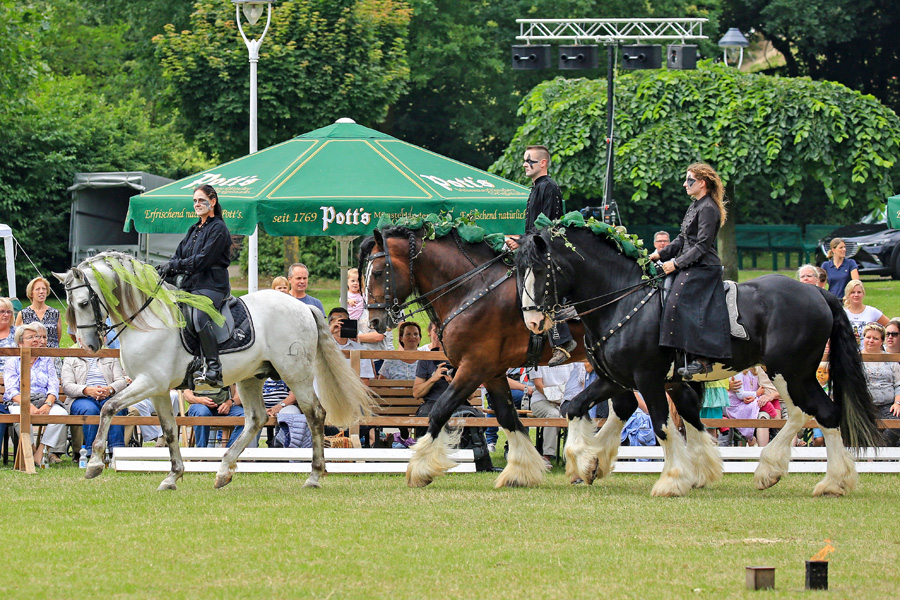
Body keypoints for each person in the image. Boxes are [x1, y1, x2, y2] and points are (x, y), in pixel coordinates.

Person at [649, 162, 730, 378]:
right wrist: (660, 255)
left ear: (702, 183)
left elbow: (702, 246)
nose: (685, 184)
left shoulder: (709, 208)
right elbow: (683, 239)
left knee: (677, 300)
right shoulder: (695, 205)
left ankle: (701, 358)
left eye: (689, 180)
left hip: (704, 266)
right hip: (692, 263)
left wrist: (675, 264)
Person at [505, 144, 575, 366]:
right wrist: (520, 239)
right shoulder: (537, 187)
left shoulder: (549, 187)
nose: (525, 164)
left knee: (541, 290)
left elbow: (548, 229)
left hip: (546, 254)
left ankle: (562, 341)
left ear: (543, 163)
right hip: (534, 249)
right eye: (525, 161)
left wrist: (522, 241)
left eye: (530, 161)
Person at [156, 184, 231, 388]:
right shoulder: (194, 229)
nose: (197, 204)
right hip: (191, 286)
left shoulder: (219, 229)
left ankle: (214, 368)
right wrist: (162, 269)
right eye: (195, 201)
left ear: (213, 202)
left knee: (199, 315)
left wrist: (174, 265)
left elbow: (202, 260)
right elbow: (179, 255)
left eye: (201, 200)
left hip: (213, 286)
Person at [3, 322, 66, 466]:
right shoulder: (12, 361)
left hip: (43, 400)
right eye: (30, 337)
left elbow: (53, 385)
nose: (36, 339)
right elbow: (11, 390)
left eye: (37, 336)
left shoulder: (46, 359)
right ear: (20, 342)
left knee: (61, 414)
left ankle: (41, 452)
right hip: (19, 401)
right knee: (21, 415)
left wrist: (48, 404)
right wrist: (28, 405)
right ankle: (30, 450)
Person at [61, 354, 129, 455]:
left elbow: (121, 381)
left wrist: (109, 389)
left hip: (108, 396)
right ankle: (91, 452)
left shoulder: (110, 357)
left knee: (113, 408)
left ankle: (116, 450)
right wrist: (86, 390)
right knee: (91, 410)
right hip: (81, 397)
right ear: (80, 340)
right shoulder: (71, 358)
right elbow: (67, 385)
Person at [528, 363, 575, 469]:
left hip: (565, 398)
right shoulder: (538, 362)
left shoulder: (570, 362)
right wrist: (555, 398)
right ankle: (547, 456)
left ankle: (572, 455)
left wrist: (563, 400)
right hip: (541, 400)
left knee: (573, 414)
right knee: (554, 414)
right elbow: (538, 385)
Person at [860, 322, 900, 446]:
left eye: (875, 338)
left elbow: (898, 384)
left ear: (881, 341)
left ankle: (878, 450)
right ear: (864, 339)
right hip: (863, 406)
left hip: (887, 405)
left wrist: (897, 403)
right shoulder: (855, 359)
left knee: (897, 422)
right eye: (868, 337)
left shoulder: (890, 359)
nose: (871, 341)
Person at [16, 277, 61, 351]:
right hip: (30, 356)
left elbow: (57, 338)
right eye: (37, 289)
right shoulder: (23, 314)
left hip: (52, 356)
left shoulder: (55, 313)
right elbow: (18, 339)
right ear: (31, 292)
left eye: (44, 289)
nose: (41, 291)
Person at [843, 279, 889, 348]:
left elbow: (889, 325)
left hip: (868, 353)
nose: (856, 295)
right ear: (848, 295)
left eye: (859, 292)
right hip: (848, 352)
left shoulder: (872, 311)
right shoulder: (843, 313)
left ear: (863, 294)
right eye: (853, 292)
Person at [0, 297, 14, 443]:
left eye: (9, 312)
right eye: (2, 312)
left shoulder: (18, 335)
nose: (6, 315)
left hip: (13, 385)